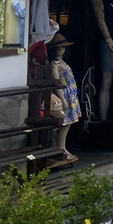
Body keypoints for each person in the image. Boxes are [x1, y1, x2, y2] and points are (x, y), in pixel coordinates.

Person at [47, 33, 81, 163]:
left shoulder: (64, 62)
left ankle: (62, 148)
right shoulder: (54, 65)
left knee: (69, 122)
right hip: (65, 94)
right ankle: (61, 148)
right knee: (65, 122)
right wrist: (62, 99)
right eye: (58, 48)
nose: (61, 50)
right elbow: (57, 83)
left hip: (71, 93)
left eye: (62, 48)